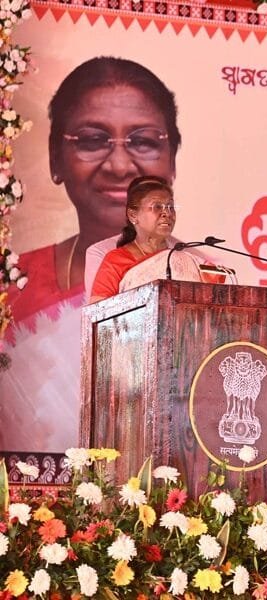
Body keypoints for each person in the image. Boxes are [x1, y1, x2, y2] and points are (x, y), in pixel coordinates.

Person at [1, 56, 181, 452]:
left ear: (171, 162)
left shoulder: (195, 274)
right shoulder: (11, 287)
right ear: (55, 159)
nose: (119, 165)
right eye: (92, 140)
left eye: (144, 141)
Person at [88, 176, 178, 301]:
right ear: (133, 215)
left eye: (170, 207)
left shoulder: (181, 259)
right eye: (157, 207)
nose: (167, 213)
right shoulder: (116, 261)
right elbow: (97, 313)